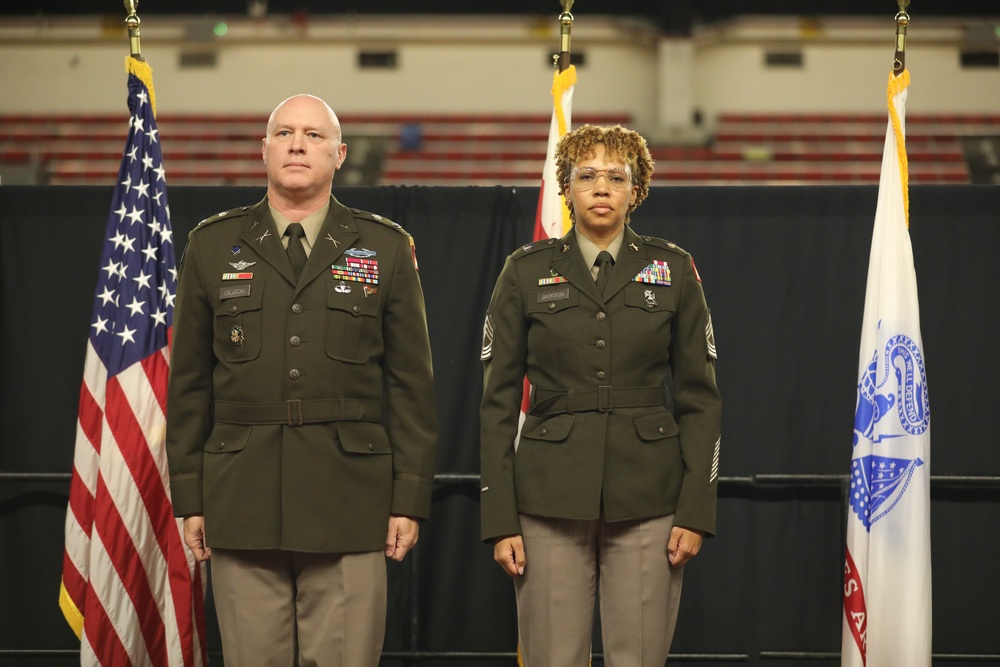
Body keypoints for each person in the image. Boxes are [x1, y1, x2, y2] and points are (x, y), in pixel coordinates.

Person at [166, 94, 438, 666]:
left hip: (352, 498)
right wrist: (190, 495)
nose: (296, 144)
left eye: (313, 136)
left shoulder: (384, 246)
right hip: (241, 496)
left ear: (340, 155)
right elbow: (189, 382)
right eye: (284, 133)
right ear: (263, 150)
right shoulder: (212, 245)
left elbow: (411, 385)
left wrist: (408, 500)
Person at [479, 124, 721, 666]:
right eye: (587, 176)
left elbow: (701, 400)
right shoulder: (525, 272)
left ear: (637, 190)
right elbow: (496, 405)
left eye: (617, 177)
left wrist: (694, 510)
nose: (602, 187)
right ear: (565, 186)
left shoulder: (674, 270)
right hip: (546, 498)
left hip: (650, 498)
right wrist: (500, 518)